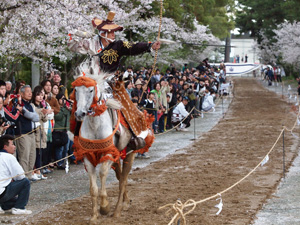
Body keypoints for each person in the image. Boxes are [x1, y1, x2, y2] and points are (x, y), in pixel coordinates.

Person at [68, 11, 160, 150]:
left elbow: (133, 47)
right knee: (78, 103)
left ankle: (134, 136)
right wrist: (77, 34)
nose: (113, 34)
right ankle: (77, 136)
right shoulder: (90, 43)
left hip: (110, 82)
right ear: (103, 33)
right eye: (111, 32)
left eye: (113, 32)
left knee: (127, 105)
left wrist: (150, 46)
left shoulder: (118, 45)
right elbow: (72, 46)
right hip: (90, 80)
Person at [0, 135, 32, 215]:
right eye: (12, 144)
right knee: (25, 182)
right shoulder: (9, 157)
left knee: (15, 200)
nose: (14, 146)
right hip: (2, 193)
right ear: (5, 146)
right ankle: (19, 208)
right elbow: (21, 176)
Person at [15, 85, 40, 180]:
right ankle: (23, 178)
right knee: (24, 156)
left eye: (30, 91)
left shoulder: (29, 105)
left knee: (32, 156)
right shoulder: (19, 103)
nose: (30, 93)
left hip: (31, 133)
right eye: (27, 91)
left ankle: (29, 175)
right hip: (22, 133)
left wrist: (25, 112)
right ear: (21, 93)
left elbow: (36, 117)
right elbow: (31, 116)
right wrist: (26, 113)